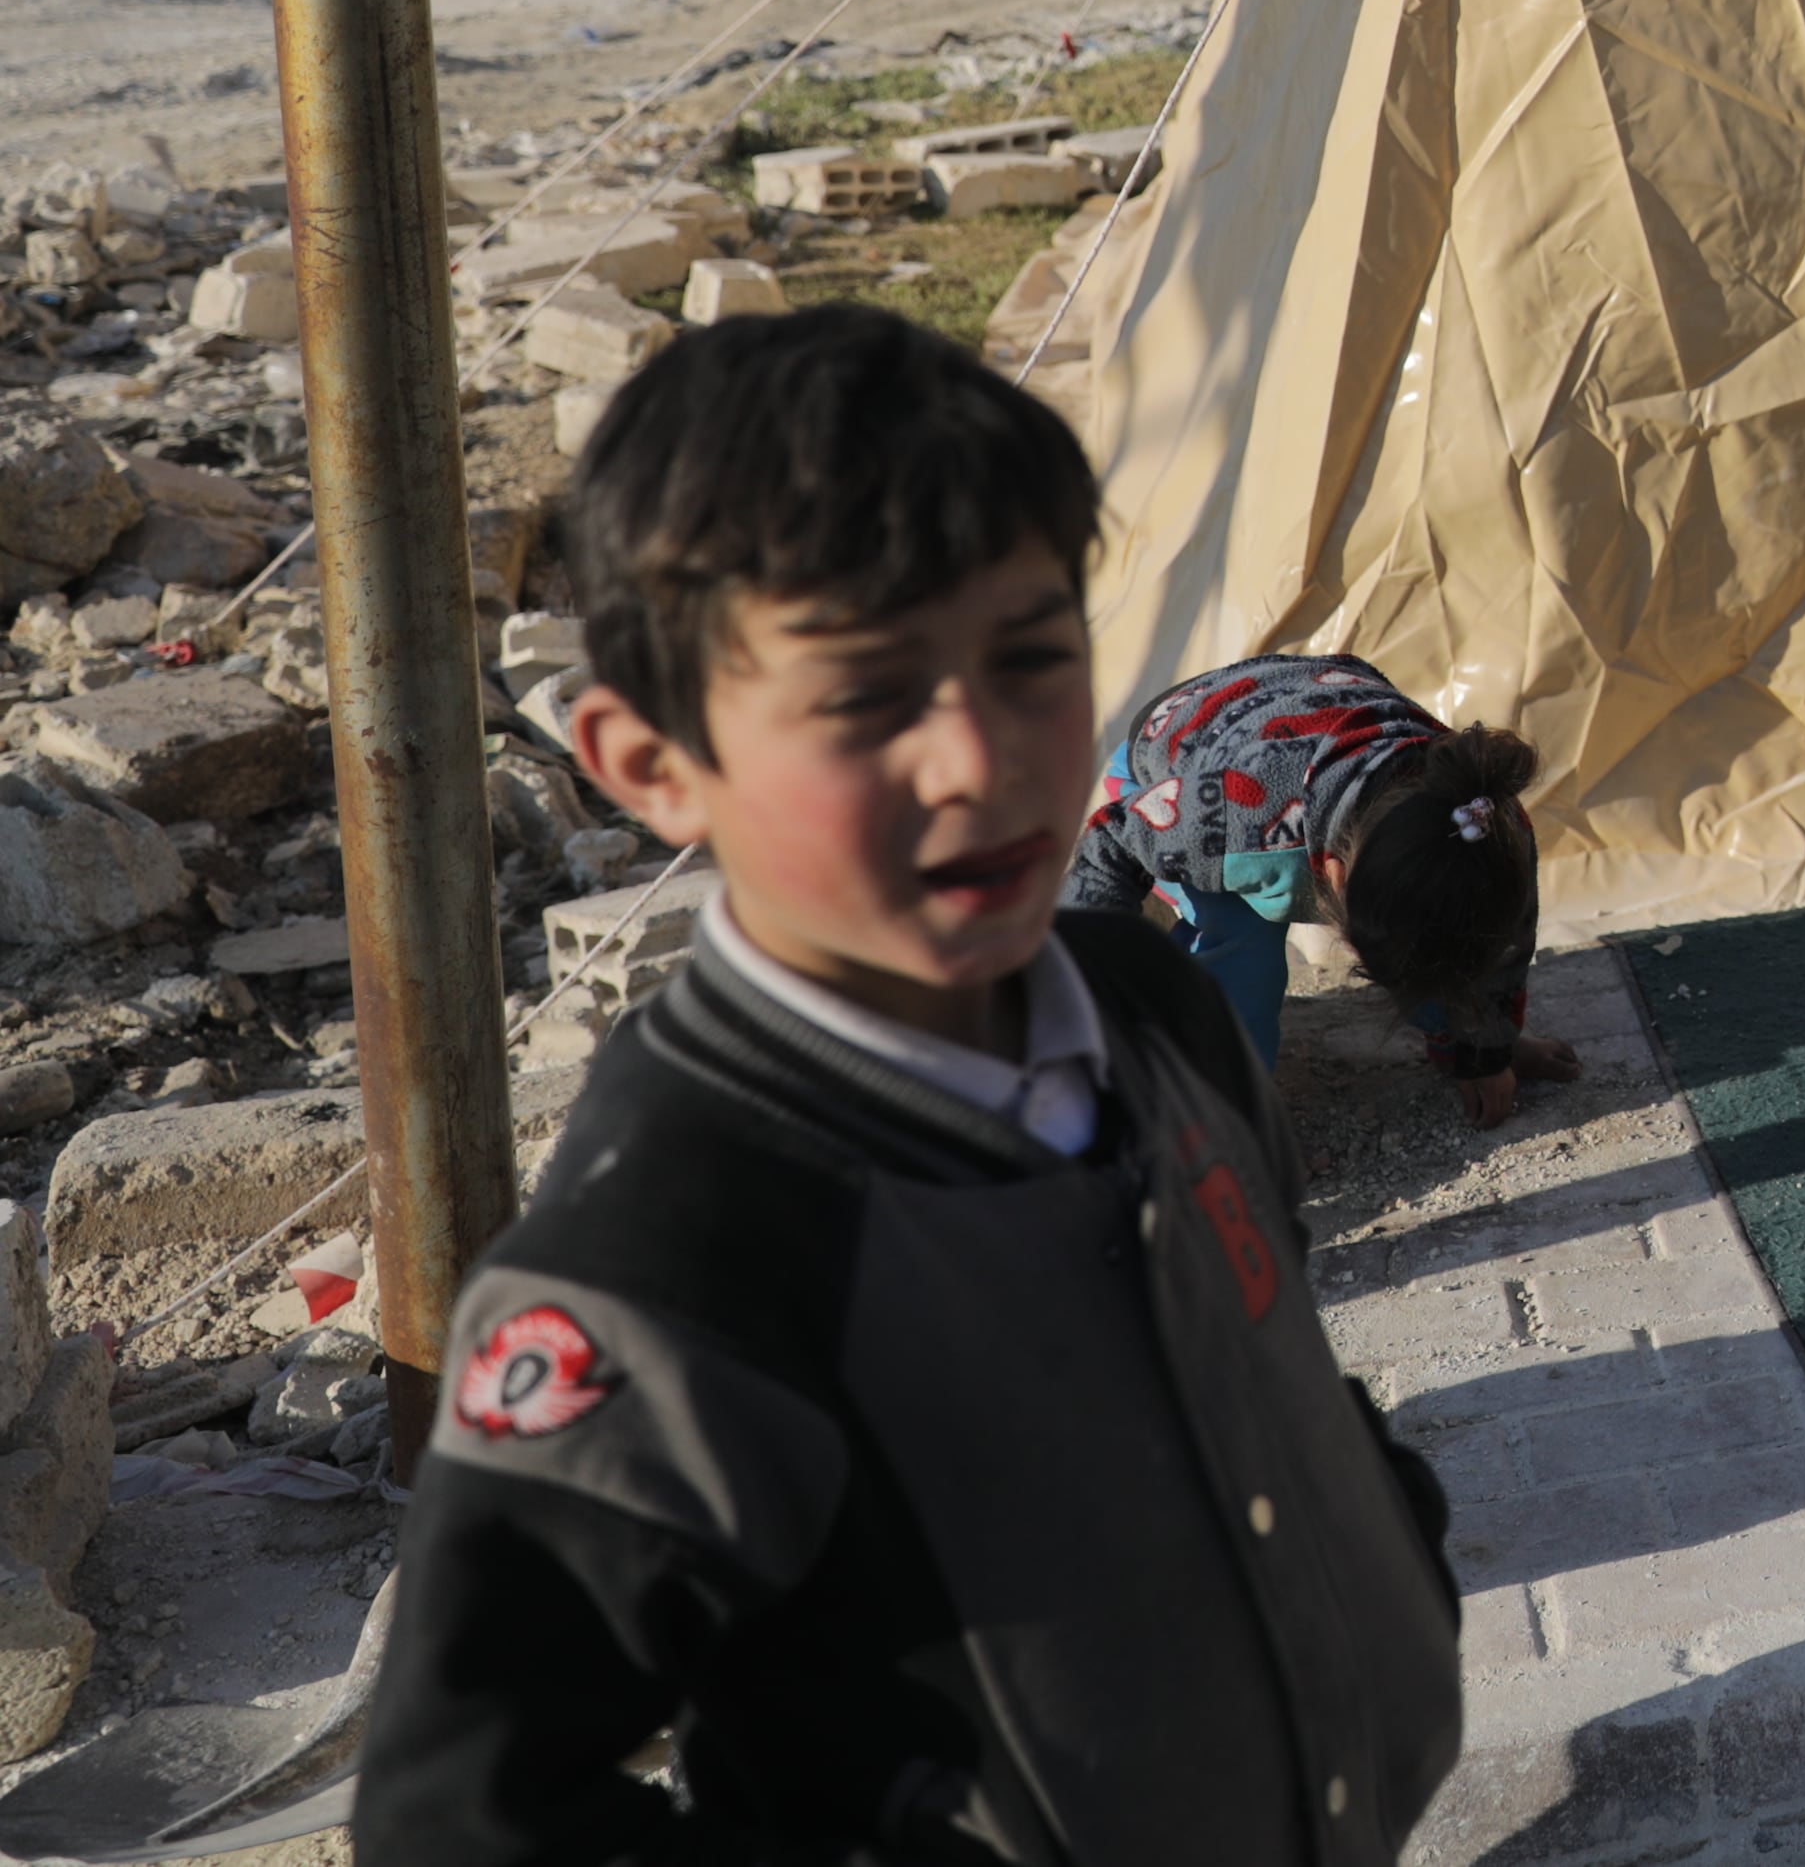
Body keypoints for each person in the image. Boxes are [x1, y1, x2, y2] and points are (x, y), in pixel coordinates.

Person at [357, 308, 1463, 1864]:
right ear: (651, 759)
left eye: (1031, 657)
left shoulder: (1154, 1014)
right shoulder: (666, 1266)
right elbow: (458, 1818)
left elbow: (1268, 1345)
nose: (979, 756)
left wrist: (1388, 1541)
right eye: (869, 697)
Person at [1072, 649, 1577, 1125]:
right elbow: (1112, 837)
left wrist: (1485, 1050)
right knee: (1240, 936)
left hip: (1305, 712)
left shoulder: (1489, 823)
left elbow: (1503, 944)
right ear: (1331, 875)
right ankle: (1229, 1118)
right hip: (1170, 759)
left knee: (1445, 931)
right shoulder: (1239, 819)